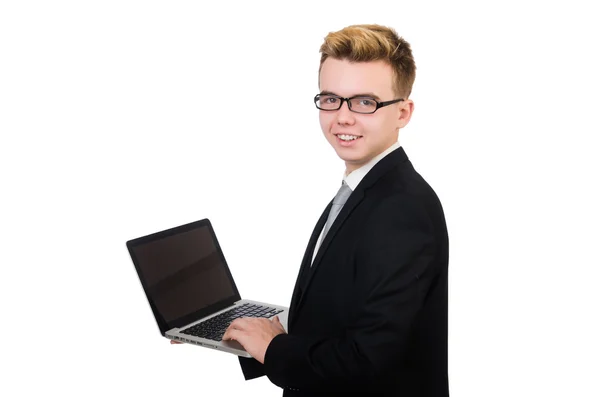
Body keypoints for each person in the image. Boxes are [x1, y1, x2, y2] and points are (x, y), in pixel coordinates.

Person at [183, 24, 450, 396]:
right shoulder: (364, 190)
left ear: (403, 112)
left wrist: (273, 347)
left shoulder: (403, 208)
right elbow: (349, 314)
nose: (343, 117)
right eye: (331, 99)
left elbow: (368, 360)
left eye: (364, 102)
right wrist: (247, 331)